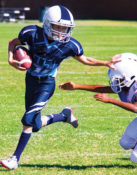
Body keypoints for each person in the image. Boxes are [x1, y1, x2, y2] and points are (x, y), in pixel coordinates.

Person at [0, 5, 118, 170]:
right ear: (47, 23)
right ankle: (64, 115)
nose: (62, 31)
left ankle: (14, 159)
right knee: (34, 125)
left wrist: (105, 63)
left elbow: (85, 60)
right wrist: (11, 59)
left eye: (65, 28)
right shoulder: (32, 33)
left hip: (47, 84)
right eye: (58, 26)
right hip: (31, 80)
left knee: (27, 119)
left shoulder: (70, 45)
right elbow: (14, 42)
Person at [59, 52, 137, 166]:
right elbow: (104, 88)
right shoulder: (128, 84)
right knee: (125, 143)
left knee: (136, 158)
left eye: (118, 79)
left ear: (131, 75)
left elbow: (136, 108)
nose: (115, 81)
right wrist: (77, 86)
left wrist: (110, 100)